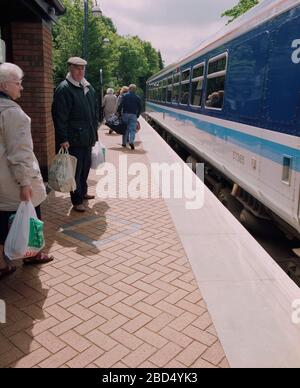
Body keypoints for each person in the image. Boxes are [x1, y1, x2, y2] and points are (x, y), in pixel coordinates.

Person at [0, 63, 53, 280]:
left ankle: (2, 264)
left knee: (2, 218)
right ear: (4, 85)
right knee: (31, 215)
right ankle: (31, 254)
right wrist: (25, 183)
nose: (21, 88)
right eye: (18, 83)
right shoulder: (13, 113)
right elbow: (19, 152)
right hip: (13, 179)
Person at [52, 57, 99, 213]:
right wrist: (63, 139)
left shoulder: (88, 87)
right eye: (77, 68)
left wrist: (95, 133)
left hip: (87, 138)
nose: (80, 71)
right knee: (75, 172)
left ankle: (83, 192)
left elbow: (94, 112)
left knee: (85, 169)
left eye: (82, 69)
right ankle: (77, 200)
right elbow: (60, 117)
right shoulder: (64, 89)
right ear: (70, 69)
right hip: (74, 140)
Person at [117, 84, 142, 150]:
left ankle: (124, 143)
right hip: (133, 115)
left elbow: (120, 106)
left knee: (125, 128)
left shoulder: (124, 96)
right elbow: (140, 108)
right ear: (135, 90)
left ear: (129, 89)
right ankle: (131, 141)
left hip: (125, 114)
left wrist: (119, 113)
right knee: (132, 129)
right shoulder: (137, 98)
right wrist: (137, 115)